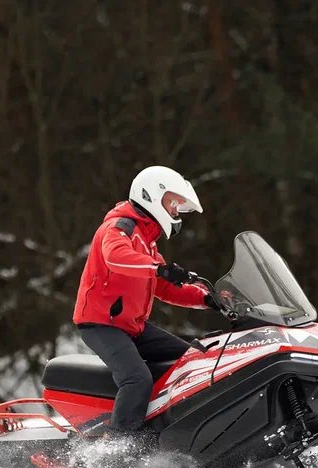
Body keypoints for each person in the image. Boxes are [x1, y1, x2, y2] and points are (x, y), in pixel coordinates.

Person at [72, 165, 217, 439]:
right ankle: (118, 447)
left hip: (131, 325)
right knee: (137, 379)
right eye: (173, 203)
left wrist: (207, 299)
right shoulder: (118, 227)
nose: (175, 211)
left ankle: (168, 429)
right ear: (151, 195)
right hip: (100, 324)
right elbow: (116, 257)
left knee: (189, 360)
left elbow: (163, 287)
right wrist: (159, 268)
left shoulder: (147, 241)